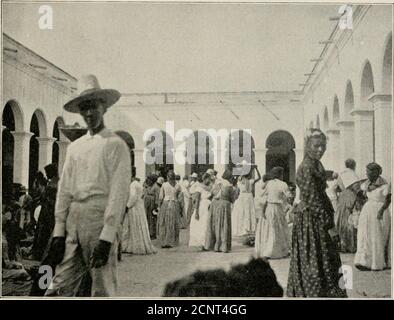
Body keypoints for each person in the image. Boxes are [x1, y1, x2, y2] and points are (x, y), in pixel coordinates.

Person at [44, 75, 131, 297]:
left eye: (93, 106)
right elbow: (64, 190)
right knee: (59, 285)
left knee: (101, 286)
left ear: (104, 107)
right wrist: (58, 231)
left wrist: (107, 236)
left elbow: (119, 193)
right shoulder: (75, 148)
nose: (89, 113)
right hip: (74, 218)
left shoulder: (116, 145)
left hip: (99, 219)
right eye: (84, 108)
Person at [287, 128, 347, 298]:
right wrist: (329, 227)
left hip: (316, 217)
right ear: (307, 146)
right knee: (315, 262)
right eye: (316, 146)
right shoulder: (307, 166)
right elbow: (313, 199)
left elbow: (318, 181)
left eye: (322, 146)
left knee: (323, 261)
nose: (320, 149)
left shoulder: (315, 164)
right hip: (312, 220)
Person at [354, 163, 391, 271]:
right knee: (364, 234)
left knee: (376, 236)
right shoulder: (367, 185)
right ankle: (364, 261)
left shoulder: (384, 185)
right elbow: (364, 197)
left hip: (379, 210)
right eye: (367, 172)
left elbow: (388, 199)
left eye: (370, 172)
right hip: (367, 210)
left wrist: (381, 211)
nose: (367, 174)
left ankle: (376, 262)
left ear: (376, 172)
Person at [255, 167, 290, 259]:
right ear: (280, 174)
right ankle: (277, 250)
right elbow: (288, 196)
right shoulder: (283, 184)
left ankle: (267, 250)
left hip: (268, 207)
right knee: (278, 228)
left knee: (269, 228)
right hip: (277, 207)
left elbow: (262, 196)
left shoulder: (268, 183)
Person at [335, 159, 364, 253]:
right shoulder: (353, 175)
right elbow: (357, 189)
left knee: (341, 220)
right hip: (351, 197)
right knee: (351, 220)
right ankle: (351, 246)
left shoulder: (341, 174)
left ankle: (342, 245)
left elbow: (336, 188)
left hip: (342, 197)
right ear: (353, 165)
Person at [204, 169, 236, 253]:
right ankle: (223, 246)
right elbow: (232, 199)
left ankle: (215, 245)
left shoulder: (217, 183)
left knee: (215, 224)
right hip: (224, 205)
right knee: (223, 225)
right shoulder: (229, 186)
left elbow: (211, 194)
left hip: (215, 205)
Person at [122, 178, 156, 255]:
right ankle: (137, 244)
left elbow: (133, 197)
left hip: (134, 208)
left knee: (133, 225)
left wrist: (127, 206)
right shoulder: (138, 184)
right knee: (140, 225)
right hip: (139, 206)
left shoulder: (132, 185)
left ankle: (135, 245)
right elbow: (142, 195)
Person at [232, 164, 261, 237]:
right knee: (247, 212)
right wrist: (256, 169)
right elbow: (259, 177)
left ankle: (245, 228)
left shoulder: (241, 182)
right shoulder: (249, 181)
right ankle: (247, 228)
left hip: (244, 197)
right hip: (247, 197)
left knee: (244, 212)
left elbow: (237, 192)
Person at [157, 170, 183, 248]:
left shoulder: (164, 185)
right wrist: (181, 208)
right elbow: (180, 198)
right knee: (173, 222)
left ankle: (165, 241)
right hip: (175, 204)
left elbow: (161, 197)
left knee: (165, 222)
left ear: (167, 177)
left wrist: (159, 206)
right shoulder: (178, 185)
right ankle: (172, 241)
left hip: (165, 204)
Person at [189, 173, 213, 249]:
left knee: (208, 224)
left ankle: (208, 243)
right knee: (202, 225)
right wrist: (196, 212)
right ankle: (201, 243)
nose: (209, 181)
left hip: (209, 206)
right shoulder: (199, 188)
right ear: (205, 179)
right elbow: (197, 200)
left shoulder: (210, 187)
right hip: (202, 207)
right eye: (209, 179)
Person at [143, 174, 159, 240]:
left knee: (152, 219)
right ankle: (149, 232)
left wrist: (156, 205)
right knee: (148, 218)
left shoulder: (156, 187)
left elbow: (157, 197)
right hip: (147, 204)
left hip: (152, 204)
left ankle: (153, 233)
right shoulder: (149, 186)